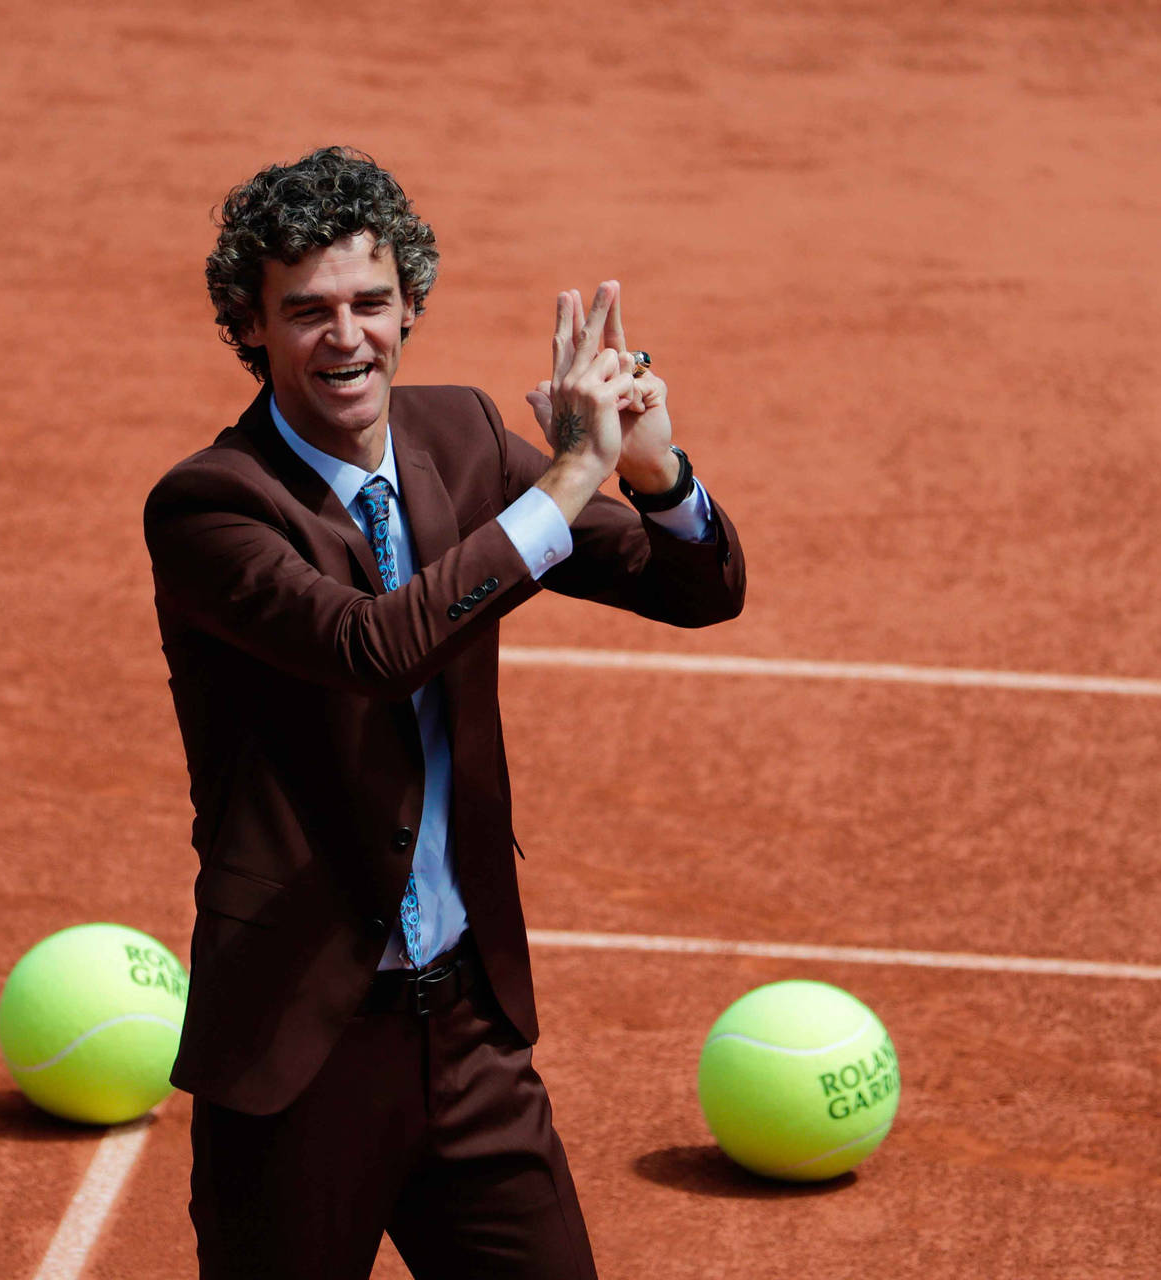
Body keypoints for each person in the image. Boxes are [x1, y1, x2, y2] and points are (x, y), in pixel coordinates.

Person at [143, 146, 746, 1279]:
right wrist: (570, 477)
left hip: (470, 1030)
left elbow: (696, 590)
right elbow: (375, 647)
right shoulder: (211, 506)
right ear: (250, 326)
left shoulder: (461, 436)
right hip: (301, 1045)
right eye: (306, 310)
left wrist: (654, 470)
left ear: (409, 302)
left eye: (372, 302)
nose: (346, 335)